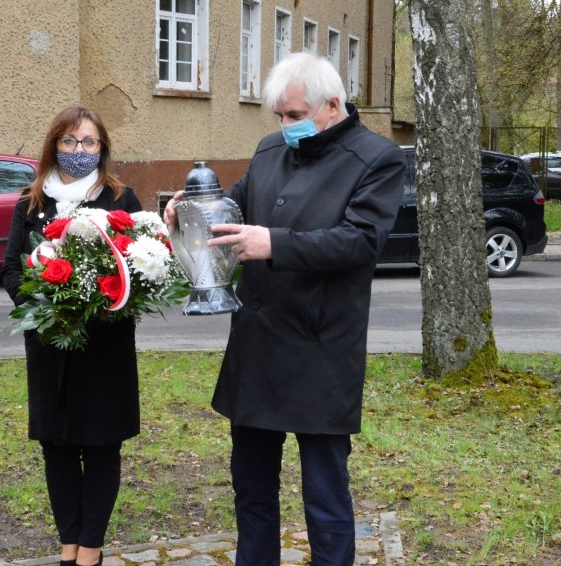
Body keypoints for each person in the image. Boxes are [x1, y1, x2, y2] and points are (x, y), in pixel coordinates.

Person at [164, 52, 406, 564]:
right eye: (279, 115)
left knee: (324, 496)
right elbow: (234, 206)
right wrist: (190, 209)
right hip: (257, 347)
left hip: (321, 350)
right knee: (251, 491)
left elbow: (360, 242)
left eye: (295, 115)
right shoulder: (270, 149)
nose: (284, 126)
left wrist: (274, 243)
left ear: (332, 105)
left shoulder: (377, 158)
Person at [2, 105, 143, 566]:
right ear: (53, 146)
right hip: (50, 349)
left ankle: (91, 551)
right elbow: (9, 269)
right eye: (68, 141)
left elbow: (139, 269)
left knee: (101, 447)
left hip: (105, 350)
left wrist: (95, 304)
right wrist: (47, 308)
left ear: (102, 149)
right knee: (57, 449)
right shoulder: (30, 202)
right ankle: (69, 548)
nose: (77, 151)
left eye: (88, 142)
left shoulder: (122, 202)